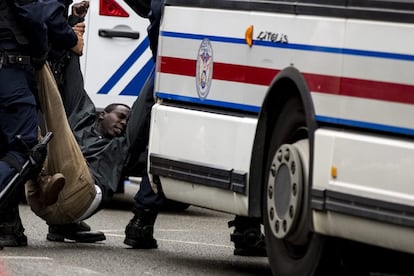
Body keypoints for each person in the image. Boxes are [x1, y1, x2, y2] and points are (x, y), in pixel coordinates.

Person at [122, 0, 267, 257]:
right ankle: (247, 230)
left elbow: (156, 10)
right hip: (235, 54)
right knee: (241, 138)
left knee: (167, 135)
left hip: (186, 50)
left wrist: (164, 54)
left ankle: (141, 222)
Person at [0, 0, 83, 247]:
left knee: (5, 149)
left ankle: (8, 226)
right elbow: (33, 15)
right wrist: (41, 52)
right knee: (25, 150)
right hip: (10, 68)